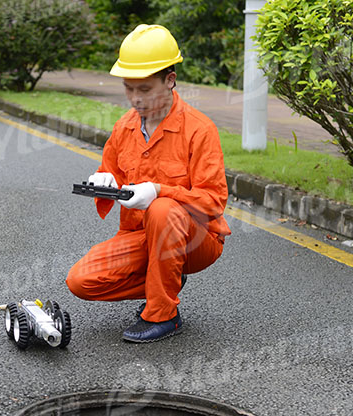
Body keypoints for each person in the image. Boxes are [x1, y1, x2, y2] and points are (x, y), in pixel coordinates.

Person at [66, 24, 231, 343]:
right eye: (129, 89)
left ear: (170, 80)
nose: (134, 99)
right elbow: (110, 171)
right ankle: (167, 277)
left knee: (163, 209)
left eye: (144, 90)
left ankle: (163, 314)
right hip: (142, 235)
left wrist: (158, 191)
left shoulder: (199, 129)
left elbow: (212, 202)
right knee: (80, 281)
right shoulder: (124, 127)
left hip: (197, 240)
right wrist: (104, 181)